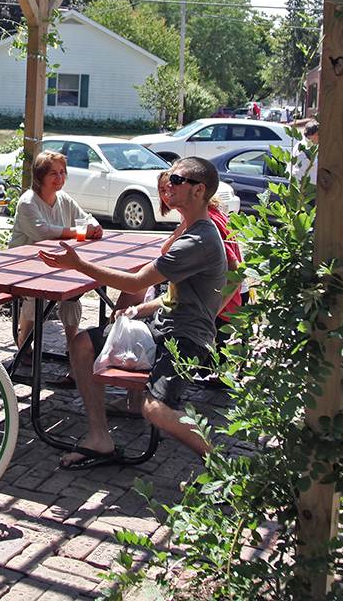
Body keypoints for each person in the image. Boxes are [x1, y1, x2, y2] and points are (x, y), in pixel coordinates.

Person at [38, 157, 228, 470]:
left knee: (155, 409)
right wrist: (140, 308)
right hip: (161, 329)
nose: (169, 184)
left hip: (186, 340)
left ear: (199, 191)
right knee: (81, 344)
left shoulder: (199, 240)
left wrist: (79, 264)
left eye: (178, 180)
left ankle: (223, 468)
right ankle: (100, 438)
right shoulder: (189, 229)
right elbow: (173, 296)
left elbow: (137, 280)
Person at [10, 151, 102, 367]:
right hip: (25, 265)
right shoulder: (28, 202)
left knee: (73, 296)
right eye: (53, 173)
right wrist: (80, 231)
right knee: (35, 298)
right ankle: (24, 344)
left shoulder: (63, 199)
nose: (59, 178)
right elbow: (43, 232)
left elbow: (85, 217)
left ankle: (72, 348)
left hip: (57, 263)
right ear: (40, 176)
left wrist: (94, 226)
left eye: (62, 172)